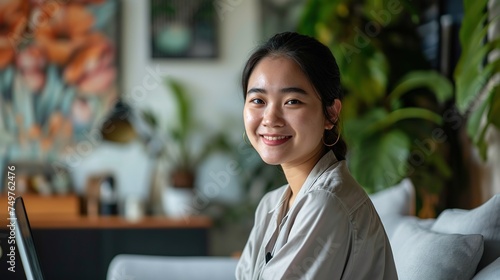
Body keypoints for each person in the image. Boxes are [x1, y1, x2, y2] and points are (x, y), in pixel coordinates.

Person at [235, 32, 398, 280]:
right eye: (258, 100)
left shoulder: (326, 203)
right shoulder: (271, 204)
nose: (270, 118)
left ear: (331, 114)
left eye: (292, 101)